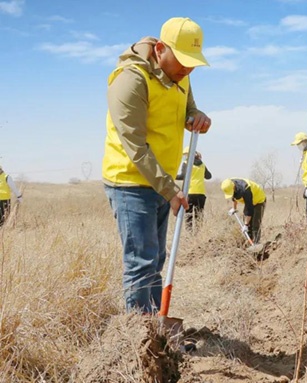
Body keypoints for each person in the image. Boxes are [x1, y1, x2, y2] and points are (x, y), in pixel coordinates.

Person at [102, 17, 212, 314]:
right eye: (183, 61)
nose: (188, 69)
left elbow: (189, 108)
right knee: (141, 263)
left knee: (156, 259)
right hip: (131, 183)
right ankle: (140, 338)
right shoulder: (130, 80)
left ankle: (154, 327)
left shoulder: (181, 74)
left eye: (193, 63)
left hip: (163, 182)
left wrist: (196, 116)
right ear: (161, 49)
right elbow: (135, 147)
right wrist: (170, 190)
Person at [221, 178, 266, 244]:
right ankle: (249, 242)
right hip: (250, 200)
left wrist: (246, 224)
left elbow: (249, 209)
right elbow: (234, 198)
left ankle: (256, 244)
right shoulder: (230, 184)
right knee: (246, 223)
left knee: (255, 223)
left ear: (234, 187)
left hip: (259, 200)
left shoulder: (245, 189)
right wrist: (234, 208)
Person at [176, 147, 212, 228]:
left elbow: (182, 176)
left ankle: (189, 235)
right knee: (199, 215)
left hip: (190, 192)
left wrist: (172, 176)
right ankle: (198, 234)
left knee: (188, 215)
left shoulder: (186, 163)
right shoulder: (202, 164)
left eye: (185, 155)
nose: (184, 157)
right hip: (201, 193)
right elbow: (209, 176)